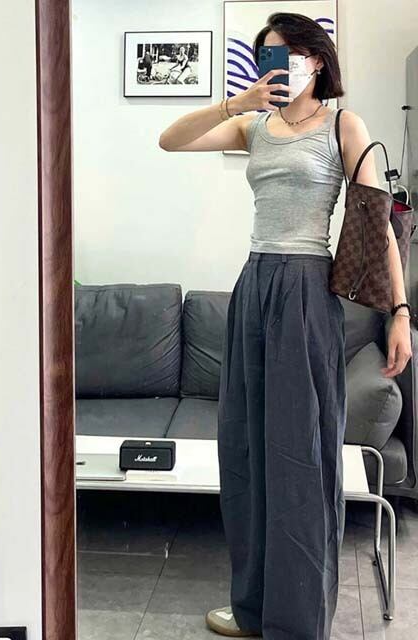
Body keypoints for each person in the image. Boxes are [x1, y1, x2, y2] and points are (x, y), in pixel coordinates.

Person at [159, 11, 412, 640]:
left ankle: (296, 622)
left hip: (306, 288)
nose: (278, 67)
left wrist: (400, 313)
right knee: (244, 449)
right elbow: (169, 140)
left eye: (288, 55)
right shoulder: (254, 126)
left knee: (301, 455)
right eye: (267, 57)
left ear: (316, 60)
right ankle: (254, 608)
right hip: (254, 284)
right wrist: (235, 103)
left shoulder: (342, 125)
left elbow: (378, 225)